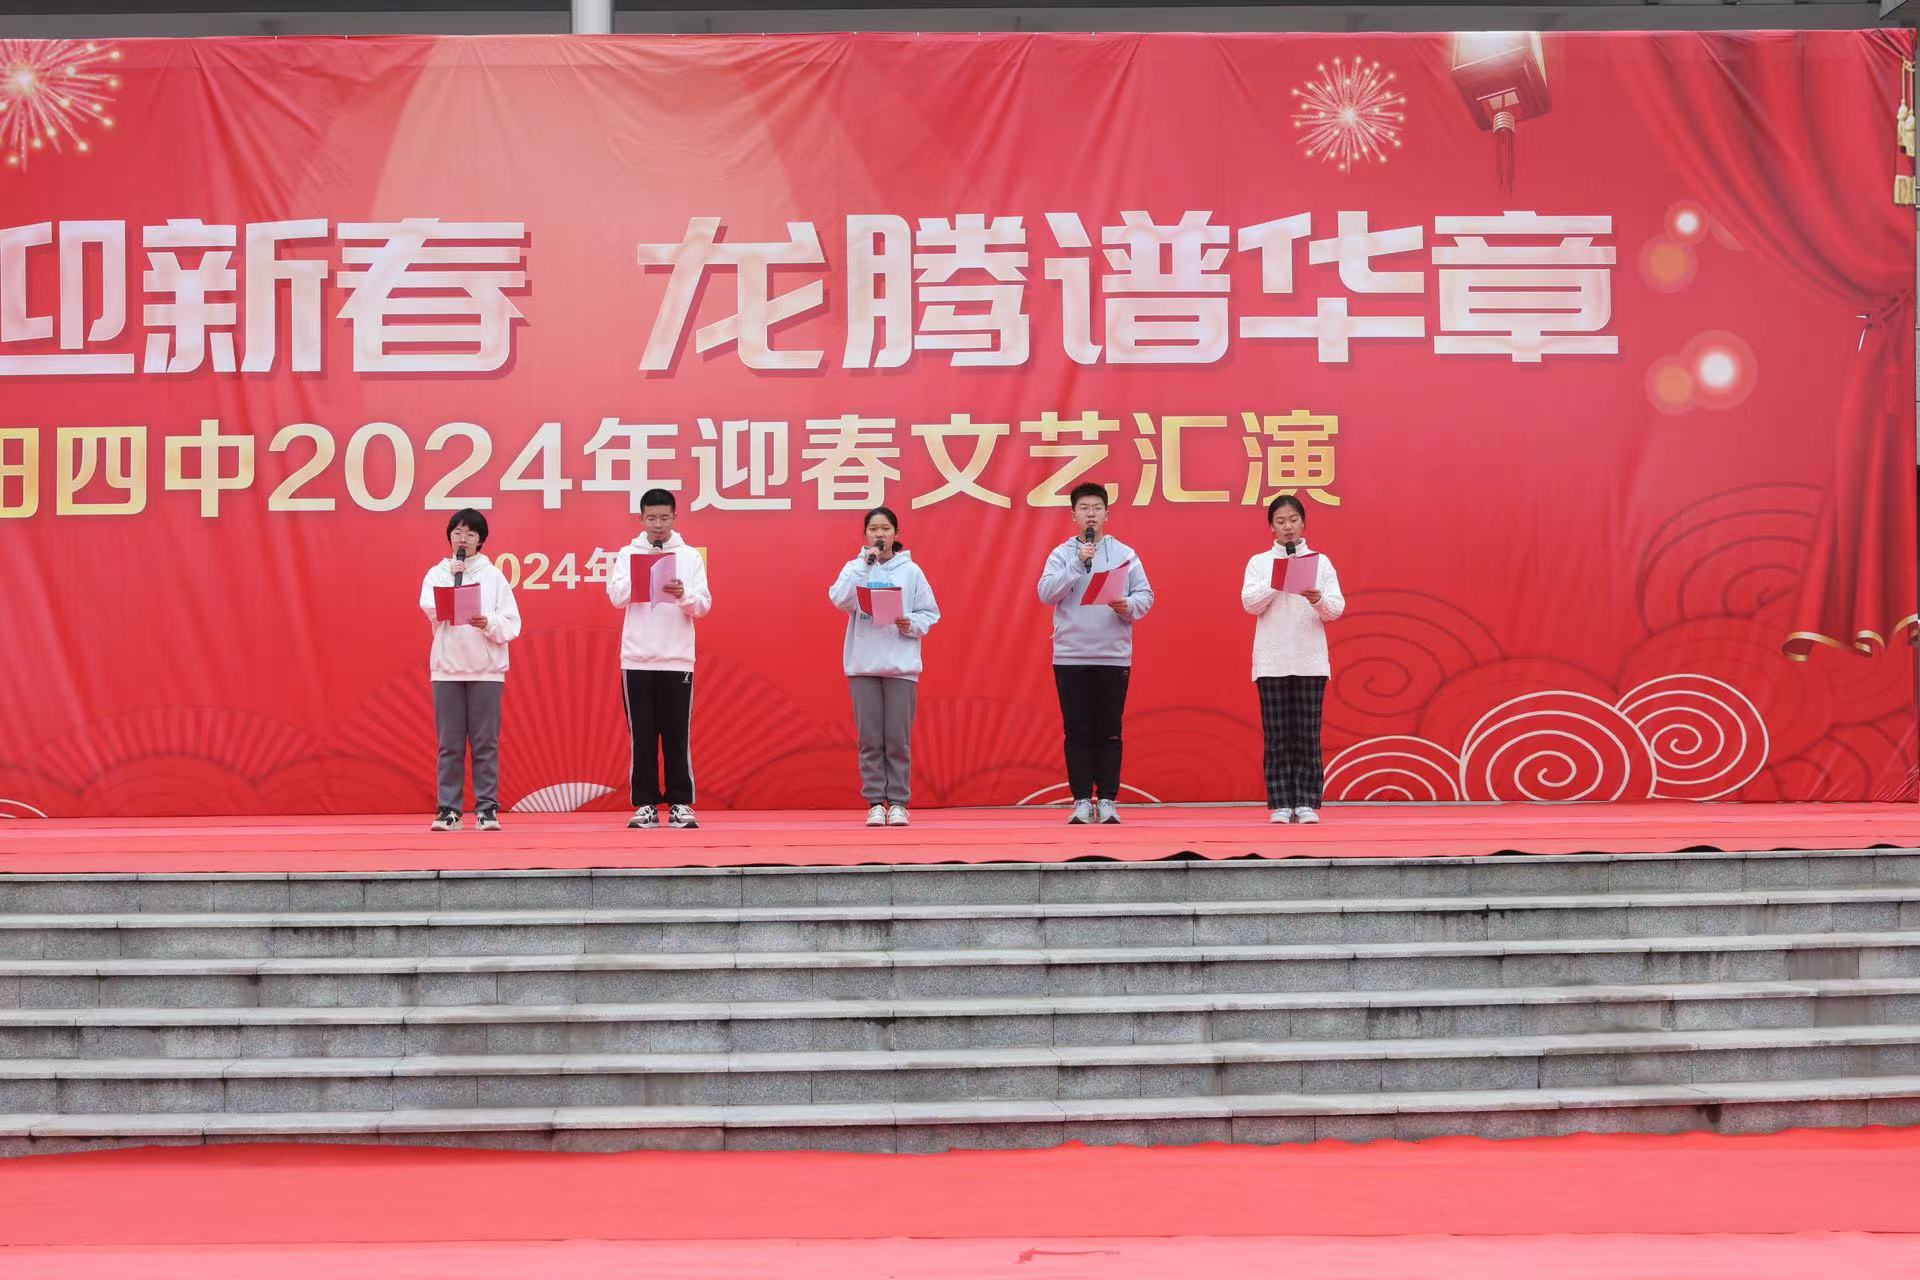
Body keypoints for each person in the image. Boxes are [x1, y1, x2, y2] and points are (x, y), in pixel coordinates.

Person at [1035, 482, 1154, 825]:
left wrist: (1127, 605)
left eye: (1097, 508)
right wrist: (1076, 564)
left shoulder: (1125, 554)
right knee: (1077, 731)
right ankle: (1082, 800)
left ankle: (1109, 800)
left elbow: (1145, 595)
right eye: (1084, 508)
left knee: (1109, 731)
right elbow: (1045, 593)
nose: (1091, 514)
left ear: (1107, 514)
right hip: (1071, 656)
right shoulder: (1062, 554)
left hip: (1112, 656)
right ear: (1073, 515)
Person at [828, 506, 941, 827]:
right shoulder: (855, 567)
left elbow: (930, 612)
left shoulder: (911, 571)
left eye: (886, 529)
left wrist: (910, 623)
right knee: (869, 739)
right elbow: (839, 599)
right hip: (863, 664)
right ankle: (876, 802)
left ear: (896, 533)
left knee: (897, 739)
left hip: (901, 665)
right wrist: (863, 566)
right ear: (865, 535)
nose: (880, 534)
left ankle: (899, 803)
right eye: (874, 529)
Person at [607, 488, 712, 829]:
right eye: (651, 518)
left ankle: (680, 803)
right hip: (637, 659)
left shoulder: (689, 556)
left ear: (674, 518)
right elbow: (615, 596)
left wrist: (683, 594)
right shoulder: (628, 554)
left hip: (676, 658)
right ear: (641, 519)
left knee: (677, 734)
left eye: (664, 518)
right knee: (643, 736)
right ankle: (646, 804)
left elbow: (703, 605)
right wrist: (639, 579)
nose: (657, 525)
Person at [1240, 494, 1346, 824]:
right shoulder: (1259, 563)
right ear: (1271, 527)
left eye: (1293, 520)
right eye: (1281, 521)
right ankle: (1282, 803)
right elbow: (1249, 604)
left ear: (1303, 523)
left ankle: (1307, 802)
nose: (1288, 527)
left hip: (1309, 660)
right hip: (1272, 661)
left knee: (1307, 735)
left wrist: (1317, 599)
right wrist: (1278, 581)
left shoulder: (1320, 562)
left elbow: (1335, 609)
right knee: (1277, 736)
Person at [418, 508, 522, 832]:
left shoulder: (494, 577)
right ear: (449, 536)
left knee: (485, 743)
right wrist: (452, 582)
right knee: (449, 744)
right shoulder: (437, 573)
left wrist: (487, 622)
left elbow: (512, 624)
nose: (463, 539)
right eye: (457, 533)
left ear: (481, 540)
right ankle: (449, 810)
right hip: (447, 669)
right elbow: (430, 607)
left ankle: (486, 809)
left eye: (471, 534)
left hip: (486, 670)